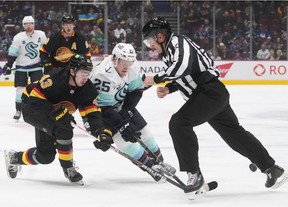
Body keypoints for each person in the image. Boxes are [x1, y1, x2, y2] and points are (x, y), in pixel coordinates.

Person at [142, 17, 287, 196]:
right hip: (209, 95)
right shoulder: (168, 53)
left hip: (209, 92)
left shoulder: (179, 43)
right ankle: (272, 168)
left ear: (160, 36)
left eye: (150, 40)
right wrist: (170, 88)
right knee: (235, 135)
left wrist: (156, 79)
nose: (150, 45)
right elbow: (188, 74)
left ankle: (194, 175)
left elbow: (183, 66)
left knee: (179, 123)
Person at [4, 54, 113, 185]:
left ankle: (15, 158)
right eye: (83, 73)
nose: (86, 77)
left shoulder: (88, 90)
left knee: (45, 157)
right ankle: (68, 168)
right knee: (64, 128)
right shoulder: (54, 79)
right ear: (72, 71)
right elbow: (35, 102)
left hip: (53, 112)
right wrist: (56, 112)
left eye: (88, 73)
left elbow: (92, 116)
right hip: (31, 105)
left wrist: (101, 132)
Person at [88, 42, 176, 181]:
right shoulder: (103, 75)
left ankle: (161, 162)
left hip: (120, 105)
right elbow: (104, 109)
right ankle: (150, 166)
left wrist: (127, 111)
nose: (127, 66)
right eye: (123, 62)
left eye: (130, 61)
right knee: (125, 143)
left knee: (145, 133)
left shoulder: (132, 67)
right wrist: (123, 124)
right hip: (100, 112)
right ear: (115, 59)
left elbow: (136, 91)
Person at [1, 16, 46, 121]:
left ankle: (37, 110)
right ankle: (18, 110)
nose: (29, 25)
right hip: (21, 68)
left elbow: (45, 49)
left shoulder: (41, 35)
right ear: (23, 25)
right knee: (20, 90)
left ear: (34, 24)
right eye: (26, 24)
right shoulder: (18, 37)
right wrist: (8, 65)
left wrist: (46, 61)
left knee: (38, 89)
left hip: (36, 67)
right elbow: (13, 53)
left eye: (30, 23)